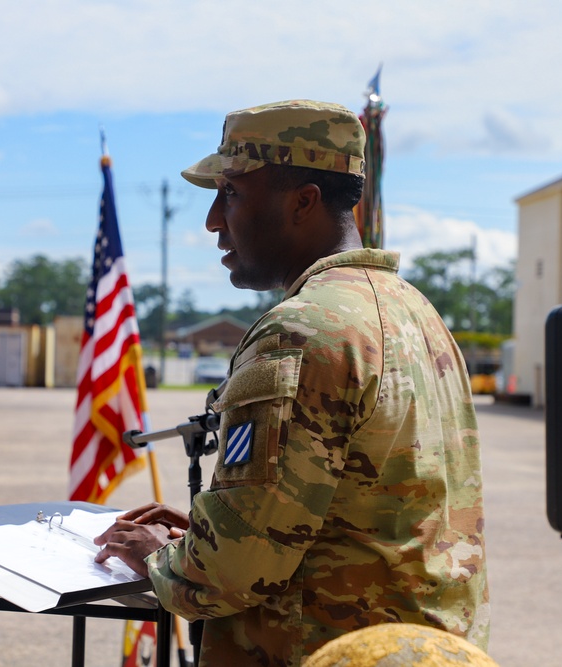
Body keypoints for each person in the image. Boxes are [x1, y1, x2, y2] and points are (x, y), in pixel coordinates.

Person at [95, 99, 490, 666]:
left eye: (231, 192)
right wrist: (219, 527)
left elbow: (230, 573)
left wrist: (167, 558)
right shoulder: (416, 313)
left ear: (303, 202)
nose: (212, 219)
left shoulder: (300, 330)